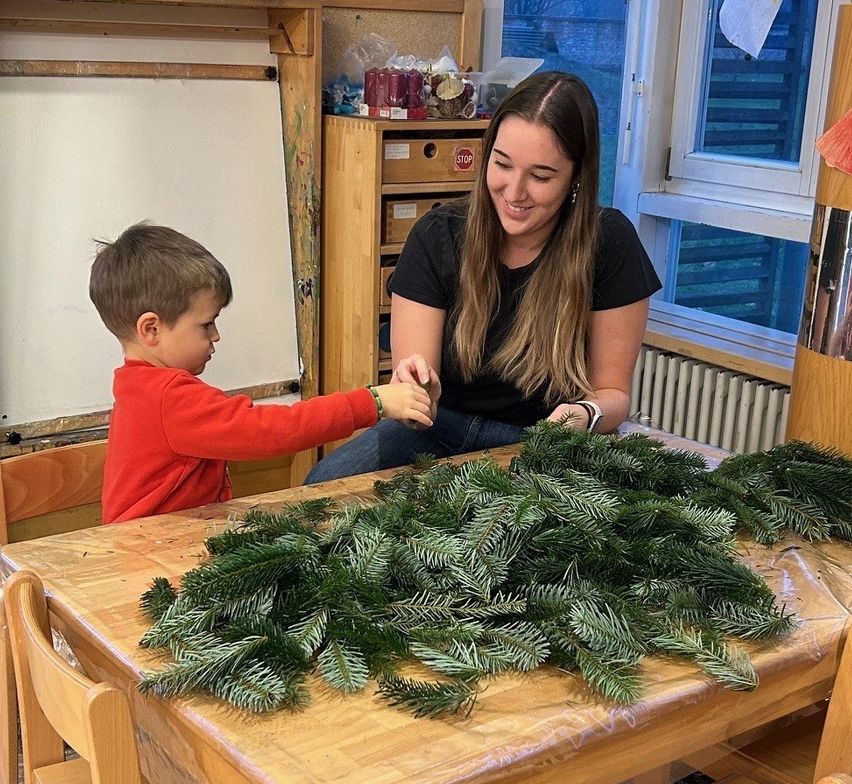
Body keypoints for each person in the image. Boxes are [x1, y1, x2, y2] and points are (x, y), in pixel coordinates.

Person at [306, 72, 661, 484]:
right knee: (322, 486)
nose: (514, 191)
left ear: (576, 177)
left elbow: (613, 395)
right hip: (438, 430)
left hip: (542, 440)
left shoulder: (609, 243)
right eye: (502, 164)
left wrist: (586, 414)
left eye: (541, 176)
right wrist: (417, 389)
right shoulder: (439, 235)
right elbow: (415, 399)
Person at [89, 223, 434, 523]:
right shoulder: (168, 397)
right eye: (206, 324)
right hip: (148, 562)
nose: (215, 336)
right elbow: (272, 431)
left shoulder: (138, 386)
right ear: (151, 329)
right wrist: (373, 401)